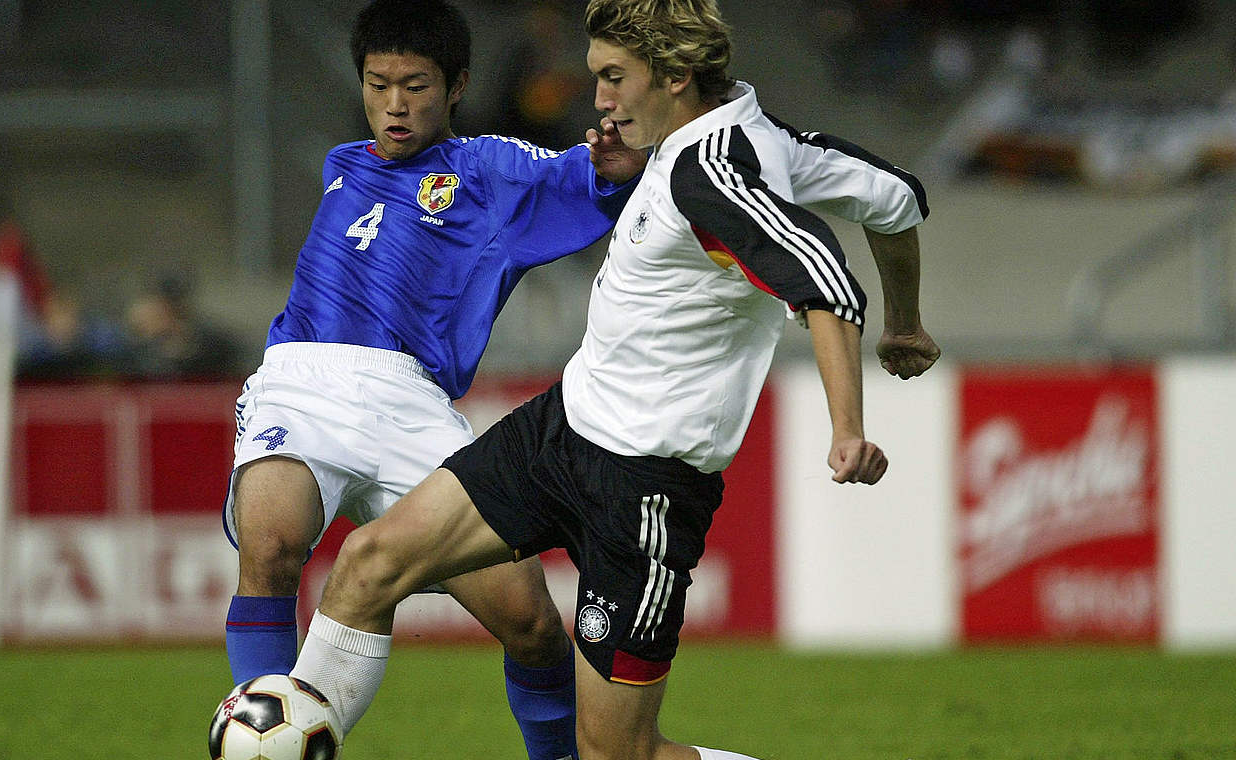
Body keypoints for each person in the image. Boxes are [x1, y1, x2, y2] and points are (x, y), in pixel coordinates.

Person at [285, 0, 942, 758]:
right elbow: (896, 198)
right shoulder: (746, 137)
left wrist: (848, 426)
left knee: (617, 755)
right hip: (560, 431)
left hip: (643, 490)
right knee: (370, 564)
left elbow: (824, 277)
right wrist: (907, 322)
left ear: (673, 76)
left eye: (612, 77)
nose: (596, 98)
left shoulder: (711, 174)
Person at [222, 1, 645, 758]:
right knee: (272, 543)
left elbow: (590, 179)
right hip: (300, 380)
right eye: (377, 83)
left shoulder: (489, 171)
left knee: (531, 623)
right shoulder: (342, 164)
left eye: (414, 85)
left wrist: (615, 160)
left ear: (456, 87)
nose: (393, 103)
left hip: (410, 401)